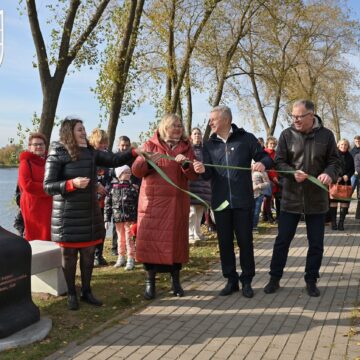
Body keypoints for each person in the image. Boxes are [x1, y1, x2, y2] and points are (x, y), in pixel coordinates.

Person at [44, 118, 140, 310]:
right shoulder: (57, 152)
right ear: (69, 132)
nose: (84, 132)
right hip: (68, 216)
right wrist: (71, 184)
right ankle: (72, 293)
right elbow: (47, 186)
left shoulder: (91, 152)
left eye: (84, 128)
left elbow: (114, 160)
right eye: (80, 129)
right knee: (69, 256)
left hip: (89, 212)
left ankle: (86, 291)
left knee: (88, 254)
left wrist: (135, 151)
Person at [193, 105, 273, 298]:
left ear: (226, 120)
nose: (210, 122)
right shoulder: (209, 145)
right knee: (225, 242)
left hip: (243, 200)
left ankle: (247, 281)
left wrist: (263, 163)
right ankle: (231, 280)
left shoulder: (246, 139)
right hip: (220, 202)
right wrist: (202, 171)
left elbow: (265, 156)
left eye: (213, 119)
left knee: (245, 241)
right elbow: (208, 175)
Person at [263, 100, 341, 297]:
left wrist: (329, 173)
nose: (295, 120)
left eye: (299, 116)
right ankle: (274, 278)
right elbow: (278, 162)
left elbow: (335, 162)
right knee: (282, 241)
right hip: (291, 198)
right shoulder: (287, 135)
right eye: (293, 116)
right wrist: (291, 173)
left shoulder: (327, 135)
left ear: (311, 116)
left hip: (317, 200)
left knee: (316, 244)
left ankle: (311, 280)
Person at [132, 113, 198, 300]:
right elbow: (137, 171)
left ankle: (175, 282)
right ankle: (149, 283)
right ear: (164, 127)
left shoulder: (187, 148)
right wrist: (146, 159)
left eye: (180, 125)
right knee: (151, 244)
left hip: (177, 203)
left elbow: (193, 175)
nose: (178, 128)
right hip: (154, 204)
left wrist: (185, 164)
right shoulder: (149, 145)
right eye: (174, 125)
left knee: (176, 244)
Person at [18, 132, 52, 241]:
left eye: (41, 144)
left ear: (45, 146)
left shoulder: (50, 161)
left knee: (50, 234)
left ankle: (50, 257)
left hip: (50, 203)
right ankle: (34, 257)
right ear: (30, 147)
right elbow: (27, 185)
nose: (38, 147)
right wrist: (50, 188)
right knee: (35, 237)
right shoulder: (26, 162)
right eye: (35, 144)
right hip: (33, 205)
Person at [104, 165, 138, 270]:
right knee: (120, 239)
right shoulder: (112, 189)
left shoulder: (133, 188)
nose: (128, 174)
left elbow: (137, 203)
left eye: (129, 172)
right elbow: (107, 205)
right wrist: (106, 219)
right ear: (119, 175)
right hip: (118, 218)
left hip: (130, 218)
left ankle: (130, 258)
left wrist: (137, 218)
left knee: (129, 239)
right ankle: (121, 256)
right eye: (125, 172)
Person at [88, 128, 112, 266]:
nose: (104, 145)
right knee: (91, 230)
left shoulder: (108, 156)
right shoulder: (89, 156)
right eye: (101, 143)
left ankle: (99, 255)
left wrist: (107, 189)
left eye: (105, 142)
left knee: (102, 229)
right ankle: (90, 257)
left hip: (105, 199)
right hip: (91, 199)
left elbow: (112, 175)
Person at [111, 135, 133, 256]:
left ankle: (131, 250)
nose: (124, 147)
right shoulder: (114, 158)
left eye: (126, 145)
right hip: (117, 193)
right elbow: (111, 173)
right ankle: (116, 248)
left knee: (130, 227)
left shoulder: (133, 157)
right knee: (117, 224)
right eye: (122, 145)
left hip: (130, 192)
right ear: (118, 146)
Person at [188, 127, 211, 244]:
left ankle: (197, 232)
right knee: (191, 211)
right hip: (192, 183)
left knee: (199, 211)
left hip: (204, 184)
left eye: (199, 134)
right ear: (191, 136)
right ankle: (190, 234)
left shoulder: (205, 150)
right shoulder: (188, 149)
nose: (197, 136)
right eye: (195, 134)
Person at [329, 139, 354, 231]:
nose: (344, 146)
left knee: (344, 203)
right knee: (333, 202)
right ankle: (334, 223)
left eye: (346, 145)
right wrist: (337, 176)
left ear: (348, 146)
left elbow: (352, 169)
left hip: (346, 182)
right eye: (342, 144)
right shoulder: (333, 155)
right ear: (338, 145)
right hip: (335, 181)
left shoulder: (350, 156)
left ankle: (341, 223)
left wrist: (347, 175)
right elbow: (331, 167)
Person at [263, 136, 280, 222]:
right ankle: (267, 216)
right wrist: (273, 177)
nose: (272, 145)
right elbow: (266, 166)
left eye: (274, 144)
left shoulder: (276, 153)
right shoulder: (263, 153)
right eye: (271, 144)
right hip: (266, 177)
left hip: (275, 177)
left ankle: (276, 216)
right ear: (267, 144)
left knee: (276, 197)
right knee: (267, 197)